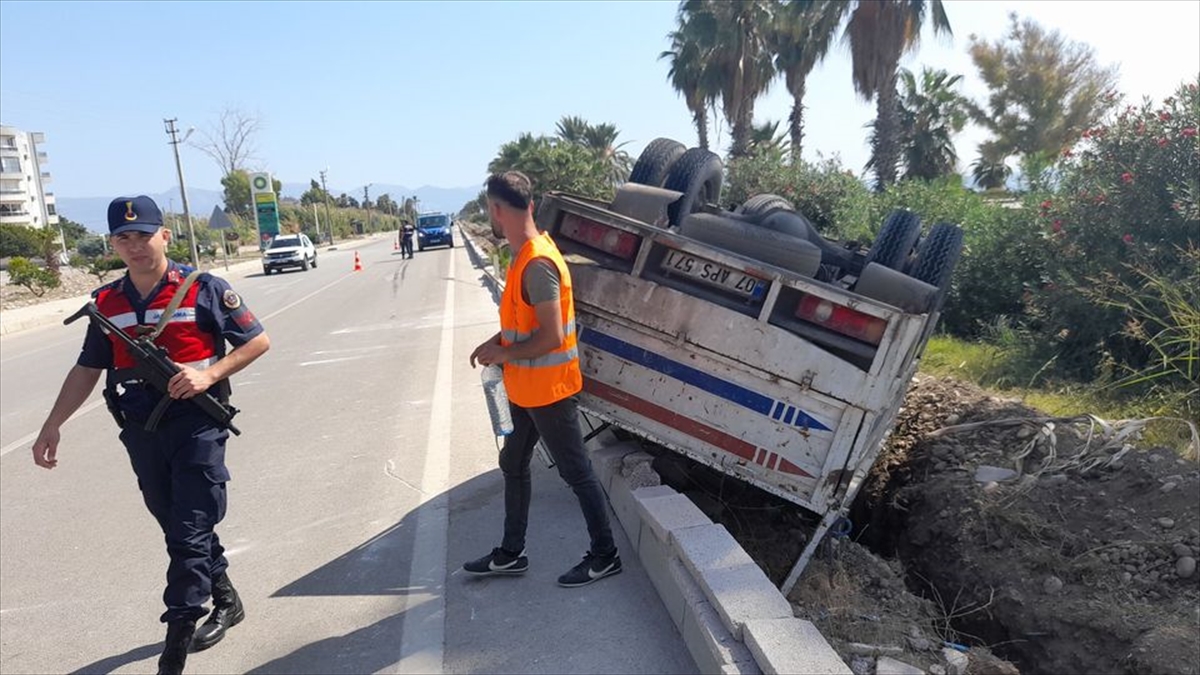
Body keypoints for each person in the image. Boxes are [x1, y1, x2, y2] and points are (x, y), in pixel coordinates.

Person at [31, 196, 271, 675]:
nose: (135, 245)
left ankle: (176, 641)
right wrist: (52, 423)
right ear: (113, 245)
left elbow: (257, 341)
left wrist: (209, 374)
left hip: (196, 424)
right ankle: (225, 597)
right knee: (174, 520)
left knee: (189, 529)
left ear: (165, 235)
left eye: (144, 234)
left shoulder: (204, 288)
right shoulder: (106, 302)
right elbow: (87, 368)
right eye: (124, 238)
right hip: (141, 428)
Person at [464, 171, 620, 588]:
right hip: (525, 390)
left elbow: (550, 336)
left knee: (576, 472)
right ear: (530, 205)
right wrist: (494, 342)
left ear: (495, 211)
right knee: (512, 462)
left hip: (548, 392)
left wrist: (504, 352)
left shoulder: (537, 263)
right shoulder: (523, 255)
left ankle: (605, 555)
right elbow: (522, 324)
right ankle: (511, 554)